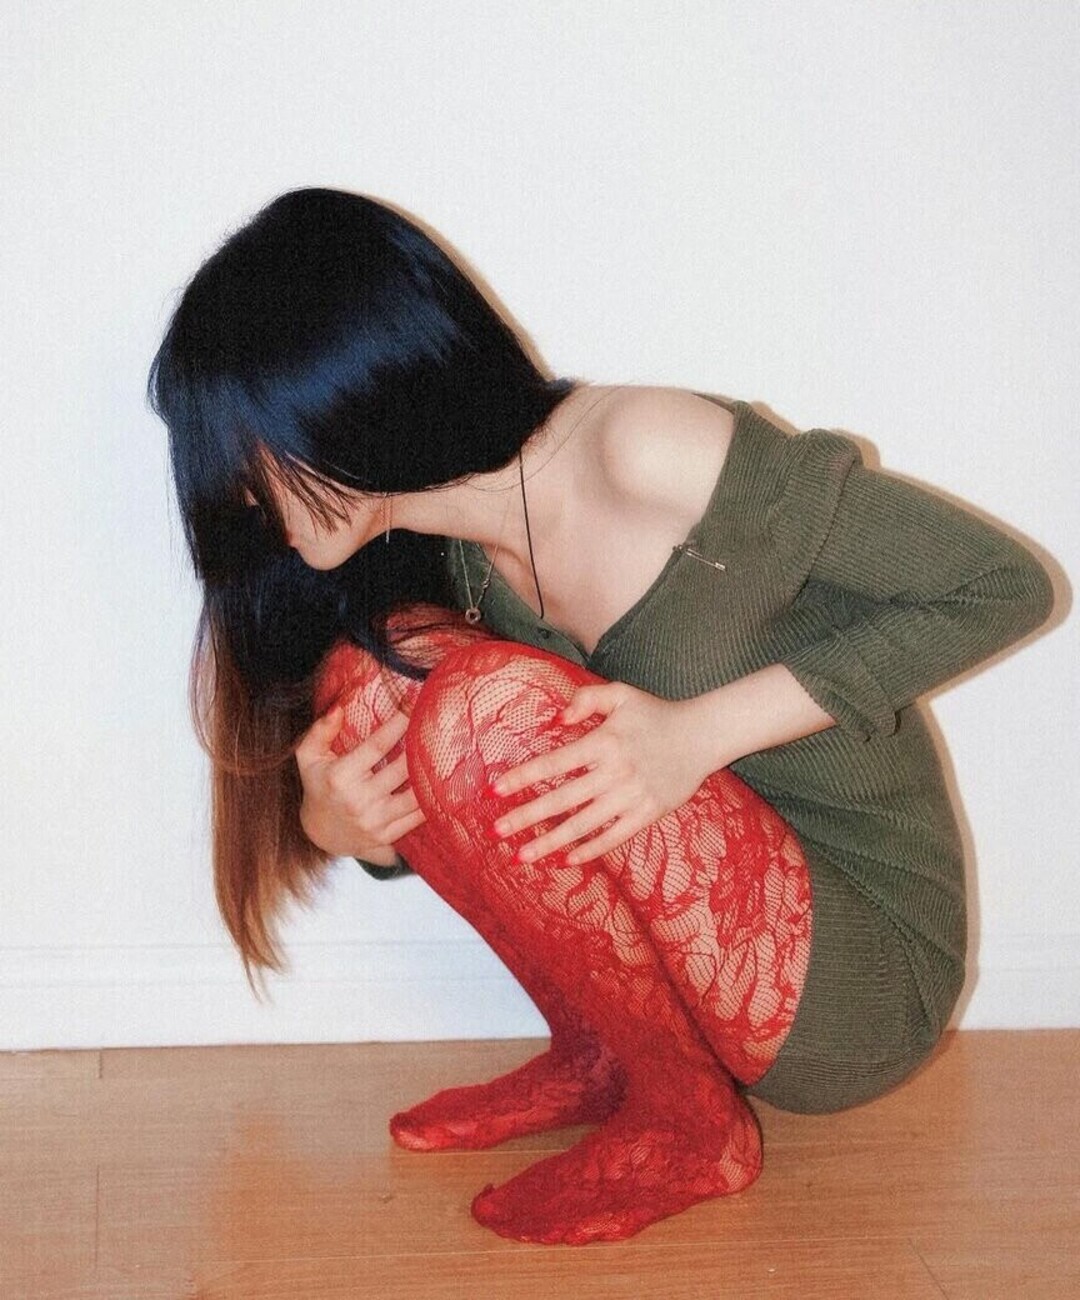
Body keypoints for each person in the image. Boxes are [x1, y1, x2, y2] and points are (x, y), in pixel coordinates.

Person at [147, 186, 1054, 1246]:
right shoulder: (443, 557)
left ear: (339, 391)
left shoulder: (643, 450)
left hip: (860, 970)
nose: (237, 493)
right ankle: (610, 1056)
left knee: (481, 707)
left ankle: (693, 1126)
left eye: (243, 450)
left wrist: (694, 736)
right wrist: (340, 826)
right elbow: (488, 813)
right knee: (375, 681)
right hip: (698, 980)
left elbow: (1000, 586)